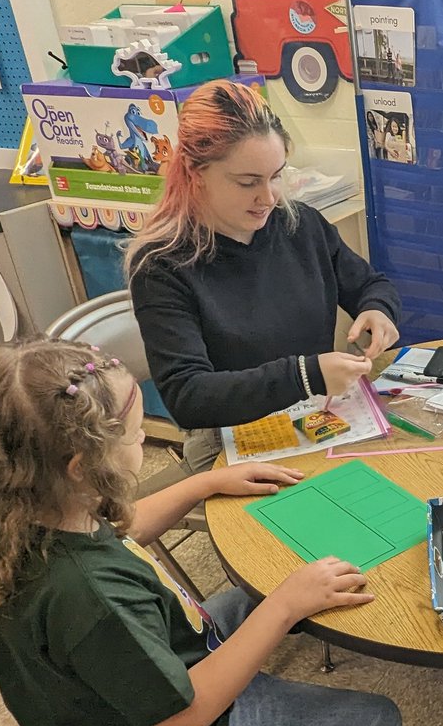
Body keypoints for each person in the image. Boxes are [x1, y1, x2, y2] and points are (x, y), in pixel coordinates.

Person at [0, 340, 402, 726]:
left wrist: (203, 484)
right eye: (134, 436)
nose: (141, 440)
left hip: (128, 701)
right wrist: (283, 608)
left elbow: (122, 531)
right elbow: (184, 716)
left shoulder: (32, 516)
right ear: (82, 466)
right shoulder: (91, 599)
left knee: (259, 596)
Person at [126, 79, 402, 473]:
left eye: (276, 175)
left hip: (316, 413)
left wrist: (378, 310)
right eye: (248, 182)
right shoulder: (163, 264)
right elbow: (188, 396)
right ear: (195, 172)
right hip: (226, 439)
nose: (269, 197)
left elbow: (372, 284)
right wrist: (306, 375)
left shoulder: (298, 224)